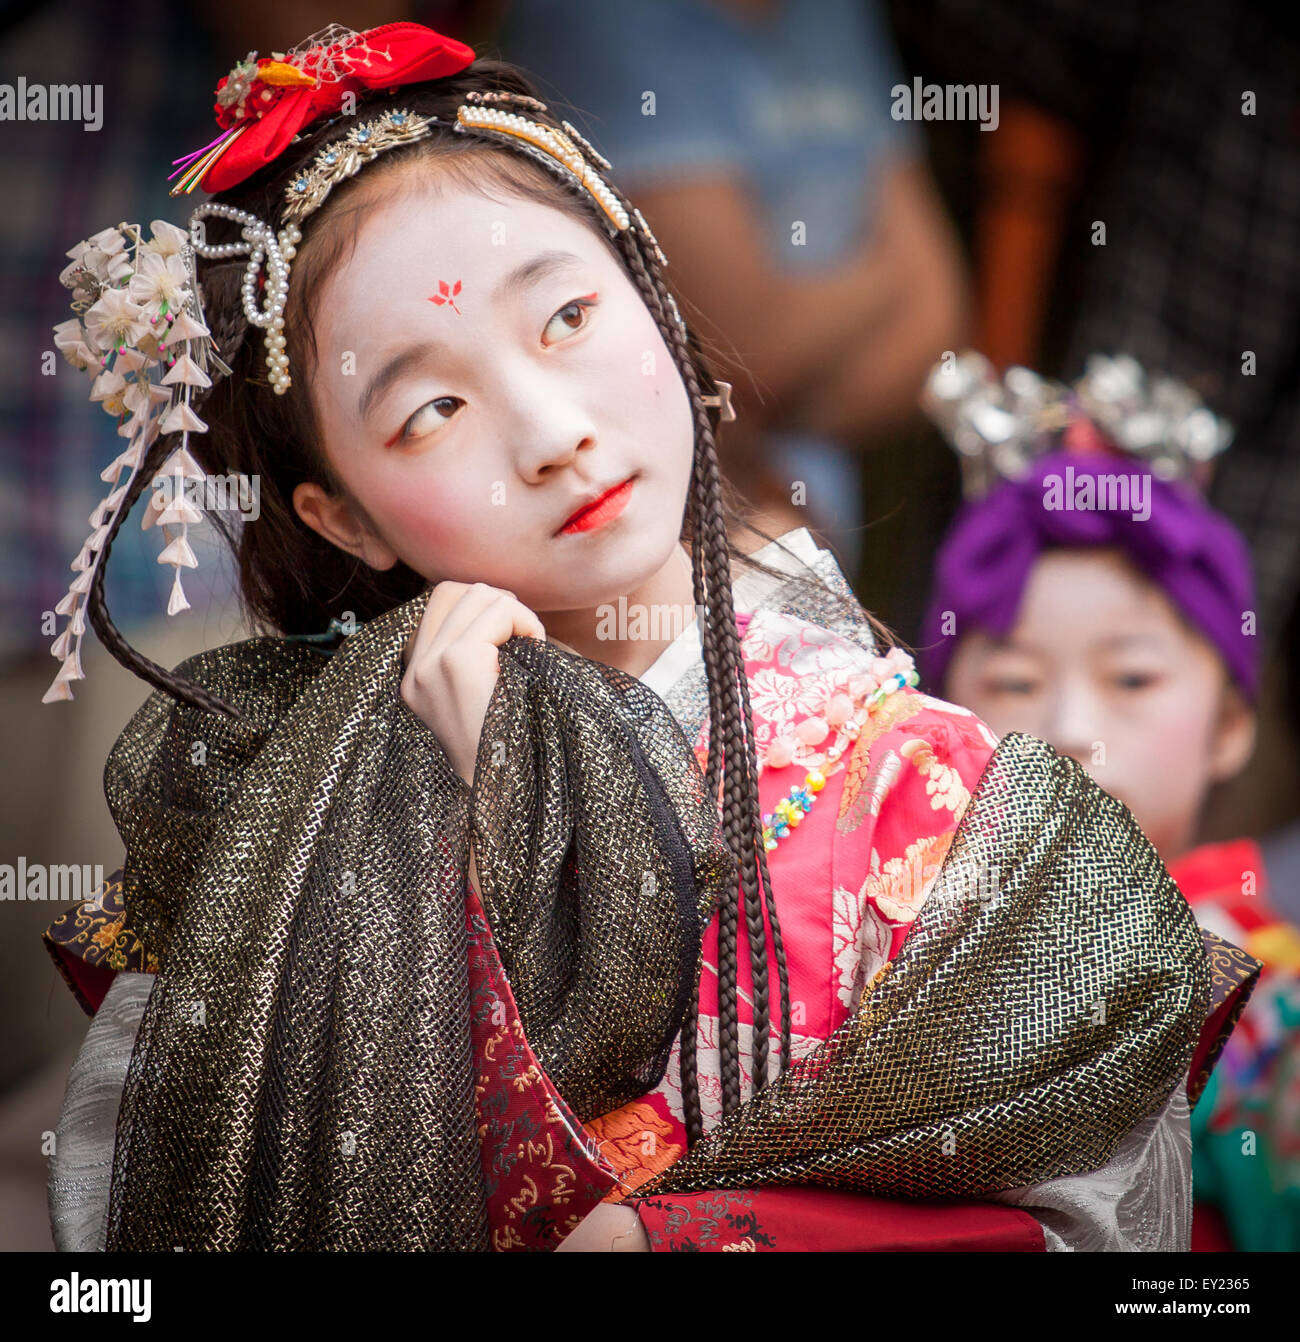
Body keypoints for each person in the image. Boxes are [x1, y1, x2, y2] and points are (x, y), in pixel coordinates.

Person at [40, 23, 1249, 1252]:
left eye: (565, 314)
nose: (551, 429)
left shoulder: (927, 784)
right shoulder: (298, 814)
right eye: (433, 407)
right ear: (341, 514)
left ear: (653, 295)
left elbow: (1083, 1216)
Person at [920, 352, 1300, 1252]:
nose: (1072, 726)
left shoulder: (1269, 989)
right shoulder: (881, 951)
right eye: (1014, 681)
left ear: (1230, 726)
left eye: (1132, 676)